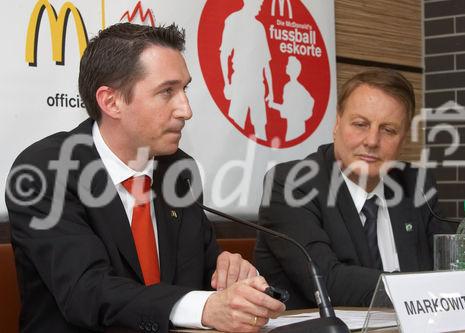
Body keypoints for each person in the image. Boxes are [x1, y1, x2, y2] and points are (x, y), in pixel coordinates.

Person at [6, 23, 284, 333]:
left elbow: (199, 270)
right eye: (167, 91)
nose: (186, 110)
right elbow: (87, 292)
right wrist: (205, 307)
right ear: (111, 102)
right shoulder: (44, 170)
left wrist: (227, 273)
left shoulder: (178, 171)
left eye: (185, 89)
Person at [254, 69, 455, 308]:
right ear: (337, 123)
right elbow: (327, 282)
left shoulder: (417, 184)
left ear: (404, 138)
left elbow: (451, 263)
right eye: (360, 124)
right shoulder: (291, 184)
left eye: (388, 130)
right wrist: (434, 286)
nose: (372, 141)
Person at [220, 0, 273, 140]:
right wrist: (227, 83)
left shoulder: (259, 27)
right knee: (234, 126)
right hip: (240, 83)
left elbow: (266, 63)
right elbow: (224, 53)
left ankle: (264, 160)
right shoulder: (234, 20)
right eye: (259, 4)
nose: (261, 7)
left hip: (258, 85)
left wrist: (271, 91)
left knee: (261, 128)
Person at [269, 56, 314, 141]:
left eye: (288, 65)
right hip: (297, 127)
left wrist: (272, 105)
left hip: (294, 129)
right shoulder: (299, 87)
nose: (286, 66)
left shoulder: (289, 87)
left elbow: (287, 109)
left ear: (293, 69)